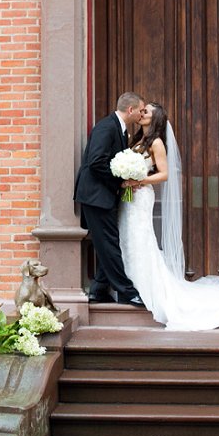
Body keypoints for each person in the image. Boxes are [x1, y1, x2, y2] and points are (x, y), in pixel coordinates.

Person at [120, 103, 219, 330]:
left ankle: (146, 289)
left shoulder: (156, 143)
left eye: (147, 112)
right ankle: (128, 284)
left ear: (156, 119)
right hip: (129, 197)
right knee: (127, 238)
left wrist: (139, 181)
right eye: (142, 111)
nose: (142, 114)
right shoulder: (136, 141)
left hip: (141, 196)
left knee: (140, 239)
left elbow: (163, 174)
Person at [74, 92, 145, 306]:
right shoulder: (107, 127)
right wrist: (121, 181)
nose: (142, 114)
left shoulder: (121, 129)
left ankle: (97, 290)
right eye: (140, 110)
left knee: (108, 243)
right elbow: (96, 162)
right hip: (95, 197)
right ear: (130, 110)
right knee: (110, 244)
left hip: (103, 197)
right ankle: (126, 292)